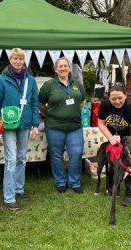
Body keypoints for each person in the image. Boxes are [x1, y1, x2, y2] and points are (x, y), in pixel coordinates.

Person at [0, 48, 39, 211]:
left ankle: (19, 188)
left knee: (21, 157)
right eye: (15, 58)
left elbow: (34, 104)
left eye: (20, 59)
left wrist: (35, 124)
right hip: (9, 124)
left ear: (24, 60)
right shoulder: (2, 80)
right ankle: (9, 197)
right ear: (10, 60)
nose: (18, 61)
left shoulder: (30, 80)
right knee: (10, 159)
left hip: (25, 123)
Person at [39, 57, 86, 194]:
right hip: (54, 127)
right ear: (55, 70)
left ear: (69, 68)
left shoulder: (76, 84)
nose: (63, 68)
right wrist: (51, 113)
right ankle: (60, 182)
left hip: (75, 127)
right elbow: (41, 104)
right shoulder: (49, 85)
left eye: (65, 66)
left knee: (76, 153)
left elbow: (82, 101)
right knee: (56, 155)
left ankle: (74, 182)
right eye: (60, 66)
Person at [98, 84, 131, 207]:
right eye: (113, 99)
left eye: (120, 98)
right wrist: (110, 138)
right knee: (114, 160)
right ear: (109, 98)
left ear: (125, 95)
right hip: (115, 133)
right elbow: (101, 124)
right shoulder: (105, 105)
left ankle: (130, 193)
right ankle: (114, 186)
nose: (117, 101)